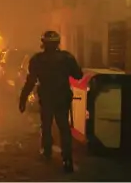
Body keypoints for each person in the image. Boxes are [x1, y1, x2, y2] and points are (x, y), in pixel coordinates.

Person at [19, 30, 83, 173]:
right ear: (58, 43)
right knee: (64, 128)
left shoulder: (37, 59)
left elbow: (30, 81)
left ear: (43, 44)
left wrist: (23, 98)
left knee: (46, 125)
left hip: (47, 98)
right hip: (62, 98)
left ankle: (47, 151)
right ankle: (67, 159)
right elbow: (78, 75)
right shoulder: (67, 58)